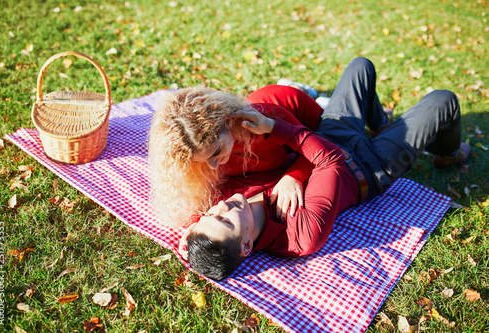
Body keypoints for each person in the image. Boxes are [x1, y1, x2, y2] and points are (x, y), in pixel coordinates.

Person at [178, 57, 470, 280]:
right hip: (370, 166)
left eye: (212, 214)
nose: (222, 208)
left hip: (330, 132)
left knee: (361, 66)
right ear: (246, 246)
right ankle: (449, 153)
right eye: (226, 221)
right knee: (443, 100)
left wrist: (193, 227)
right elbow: (331, 160)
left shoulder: (228, 197)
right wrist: (273, 128)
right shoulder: (301, 235)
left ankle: (380, 123)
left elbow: (192, 199)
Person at [149, 80, 347, 226]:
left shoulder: (264, 120)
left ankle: (308, 94)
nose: (214, 165)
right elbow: (207, 197)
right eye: (204, 160)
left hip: (297, 113)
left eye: (217, 152)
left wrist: (293, 176)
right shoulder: (201, 152)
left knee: (337, 125)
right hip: (281, 152)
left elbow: (319, 146)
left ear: (228, 122)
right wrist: (195, 227)